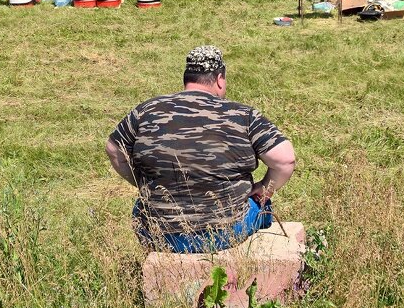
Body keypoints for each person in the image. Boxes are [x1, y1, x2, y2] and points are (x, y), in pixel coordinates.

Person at [105, 45, 296, 253]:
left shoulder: (146, 110)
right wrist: (264, 187)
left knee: (140, 206)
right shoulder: (243, 115)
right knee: (261, 206)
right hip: (225, 233)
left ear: (187, 78)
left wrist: (143, 183)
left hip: (158, 233)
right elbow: (285, 160)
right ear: (220, 78)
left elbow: (114, 149)